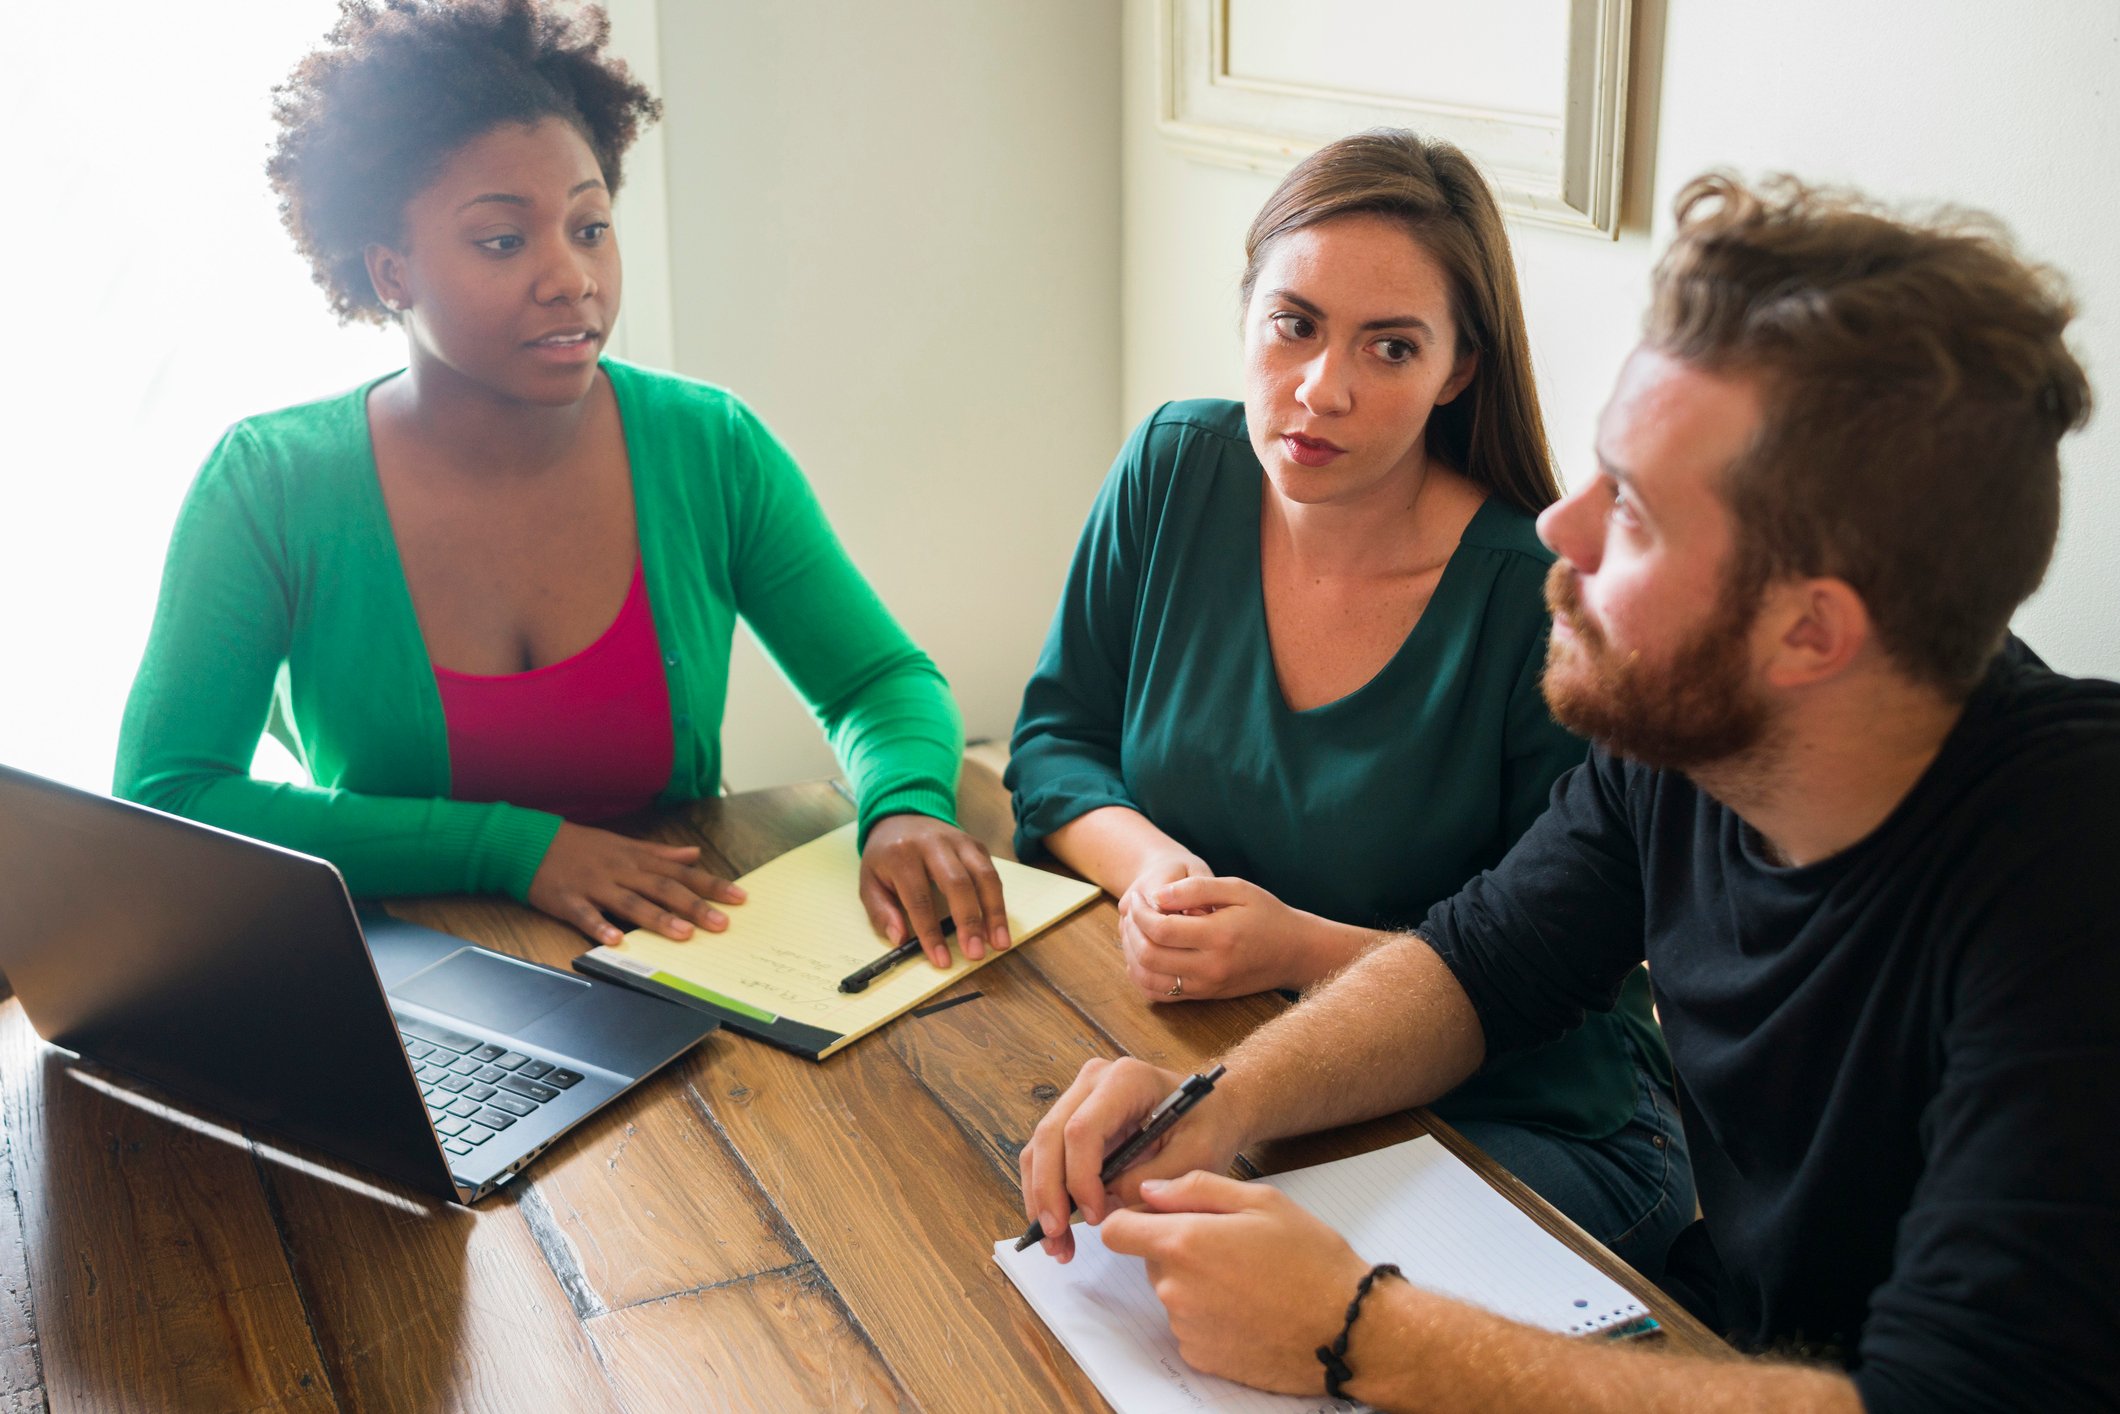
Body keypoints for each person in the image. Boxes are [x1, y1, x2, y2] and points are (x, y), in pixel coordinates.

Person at [1018, 173, 2119, 1411]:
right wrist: (1208, 1108)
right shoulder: (1689, 734)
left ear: (1809, 634)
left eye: (1633, 512)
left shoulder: (2075, 880)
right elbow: (1478, 966)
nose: (1560, 530)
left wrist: (1357, 1334)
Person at [114, 0, 1005, 967]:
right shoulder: (269, 487)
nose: (571, 276)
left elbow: (877, 682)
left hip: (683, 956)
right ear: (390, 272)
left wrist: (904, 806)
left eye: (591, 226)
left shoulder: (708, 447)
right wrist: (513, 849)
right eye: (504, 241)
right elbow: (168, 795)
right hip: (402, 978)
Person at [1005, 129, 1689, 1271]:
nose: (1320, 389)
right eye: (1294, 324)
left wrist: (1291, 947)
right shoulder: (1172, 466)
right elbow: (1054, 741)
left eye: (1388, 347)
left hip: (1529, 1117)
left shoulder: (1535, 603)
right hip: (1228, 1051)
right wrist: (1151, 869)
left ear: (1455, 373)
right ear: (1247, 312)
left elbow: (1549, 970)